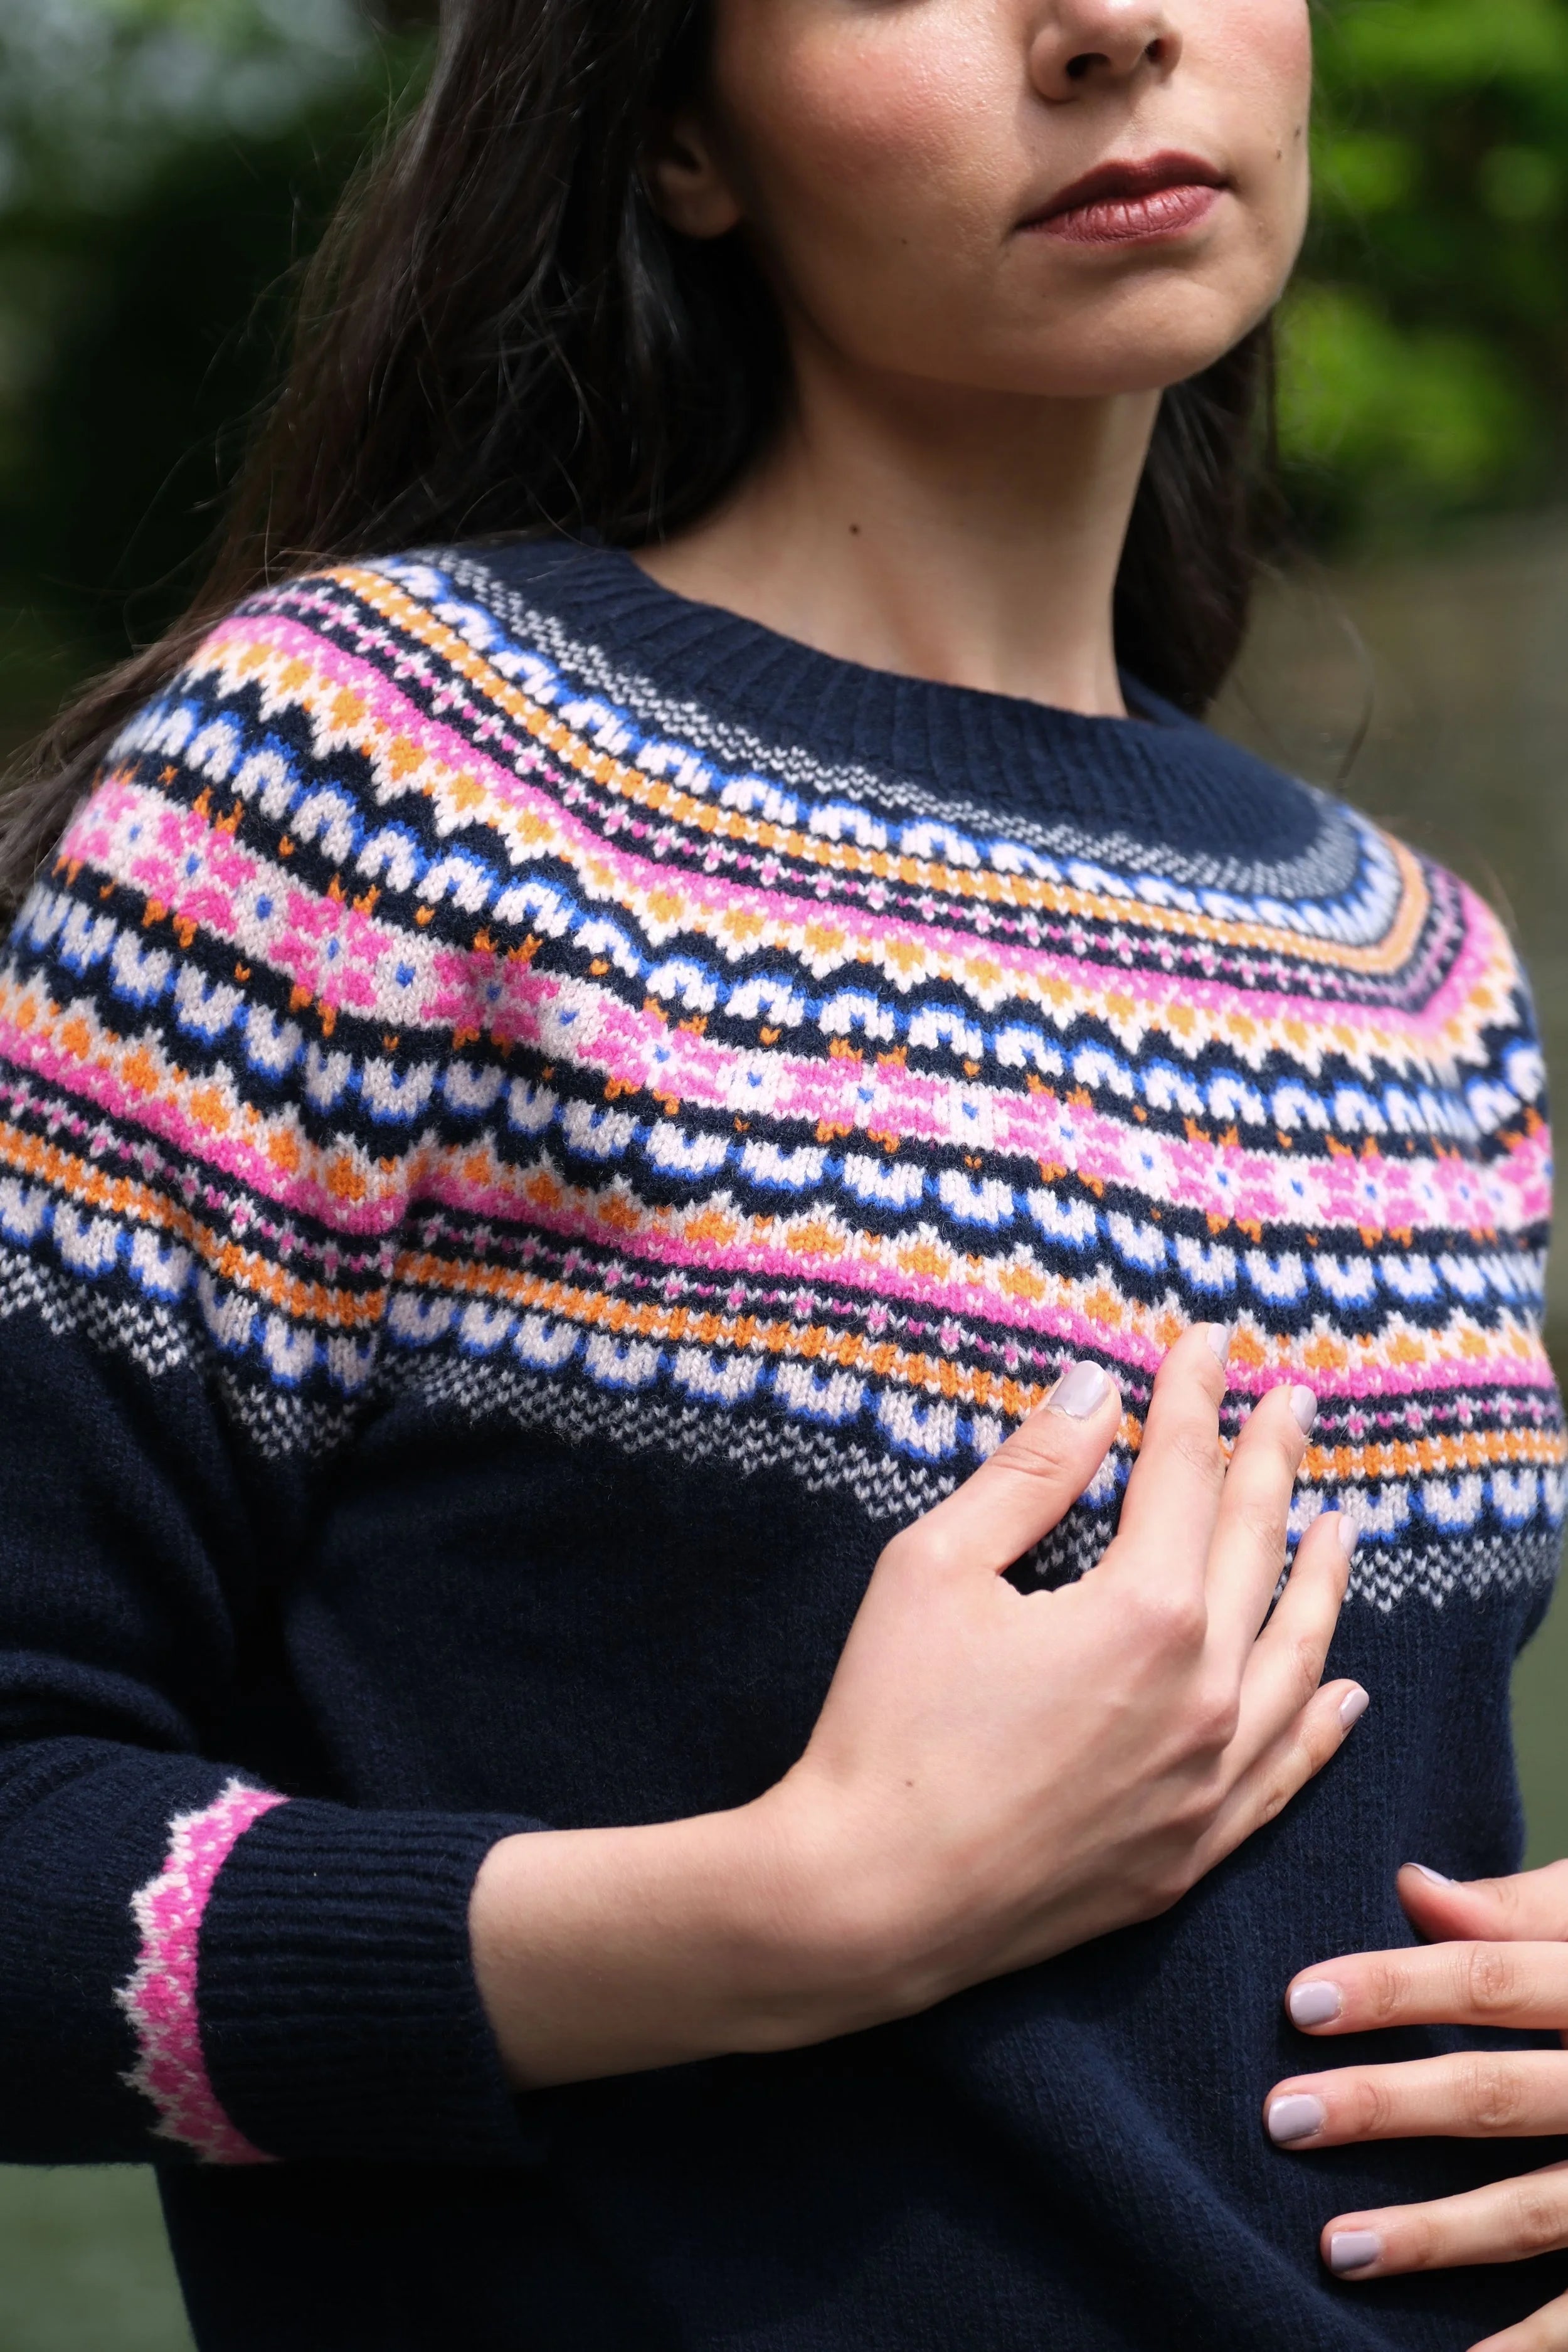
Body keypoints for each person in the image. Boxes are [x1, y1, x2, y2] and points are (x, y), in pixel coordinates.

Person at [0, 0, 1559, 2346]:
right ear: (677, 139)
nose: (1109, 24)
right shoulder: (373, 790)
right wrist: (788, 1912)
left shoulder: (1422, 977)